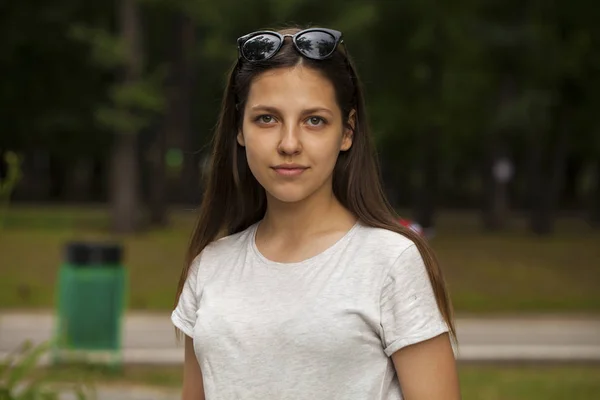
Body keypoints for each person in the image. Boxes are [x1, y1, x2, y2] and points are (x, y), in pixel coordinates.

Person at [172, 26, 460, 400]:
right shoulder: (210, 267)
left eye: (314, 120)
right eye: (266, 119)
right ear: (239, 129)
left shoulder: (390, 263)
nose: (289, 143)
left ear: (347, 132)